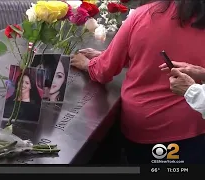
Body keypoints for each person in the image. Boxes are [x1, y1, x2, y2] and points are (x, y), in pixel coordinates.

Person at [71, 0, 205, 164]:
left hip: (145, 128)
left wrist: (88, 64)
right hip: (195, 128)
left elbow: (104, 71)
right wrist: (106, 55)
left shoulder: (143, 15)